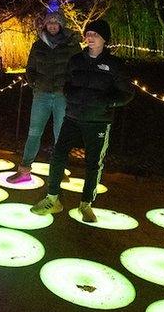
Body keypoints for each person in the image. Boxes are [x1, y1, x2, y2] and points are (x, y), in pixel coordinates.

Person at [31, 19, 134, 222]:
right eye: (88, 34)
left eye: (95, 34)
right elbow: (67, 83)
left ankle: (86, 203)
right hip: (73, 116)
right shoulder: (76, 60)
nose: (90, 38)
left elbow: (126, 93)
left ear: (105, 39)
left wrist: (105, 103)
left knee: (93, 163)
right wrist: (71, 95)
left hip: (98, 121)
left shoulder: (114, 65)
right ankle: (53, 198)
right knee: (58, 154)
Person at [8, 11, 78, 183]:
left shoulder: (71, 44)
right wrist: (35, 84)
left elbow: (77, 69)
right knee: (34, 132)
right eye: (49, 23)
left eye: (56, 23)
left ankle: (58, 171)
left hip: (62, 95)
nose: (52, 26)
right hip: (42, 94)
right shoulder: (38, 45)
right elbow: (30, 68)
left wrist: (70, 87)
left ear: (61, 25)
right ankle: (24, 170)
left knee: (60, 134)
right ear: (45, 25)